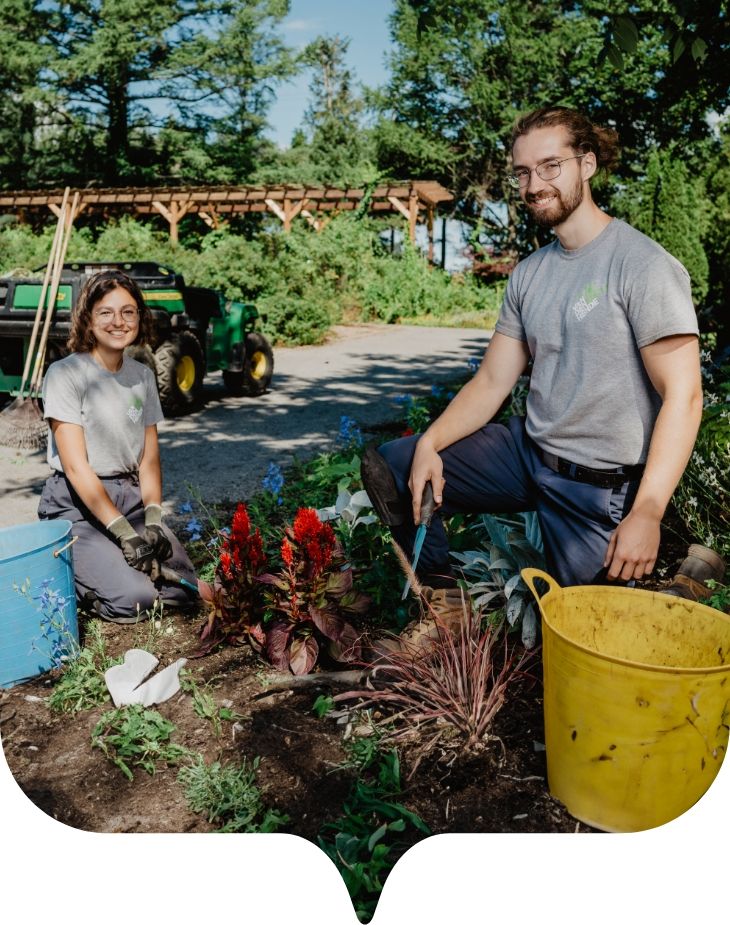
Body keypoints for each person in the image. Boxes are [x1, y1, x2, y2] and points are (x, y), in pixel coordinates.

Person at [362, 105, 719, 642]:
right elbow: (490, 383)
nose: (534, 184)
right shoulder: (530, 275)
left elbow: (684, 396)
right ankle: (445, 612)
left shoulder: (642, 265)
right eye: (523, 172)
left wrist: (646, 510)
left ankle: (689, 574)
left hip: (598, 488)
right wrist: (431, 443)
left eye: (550, 166)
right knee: (396, 465)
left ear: (588, 164)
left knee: (597, 639)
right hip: (528, 455)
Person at [38, 269, 199, 623]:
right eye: (106, 312)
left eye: (128, 312)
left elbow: (149, 457)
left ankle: (119, 567)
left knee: (184, 590)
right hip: (77, 504)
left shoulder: (140, 376)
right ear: (88, 319)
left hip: (131, 500)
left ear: (140, 318)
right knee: (136, 600)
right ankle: (82, 579)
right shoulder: (65, 375)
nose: (118, 321)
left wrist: (153, 520)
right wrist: (125, 535)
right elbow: (77, 467)